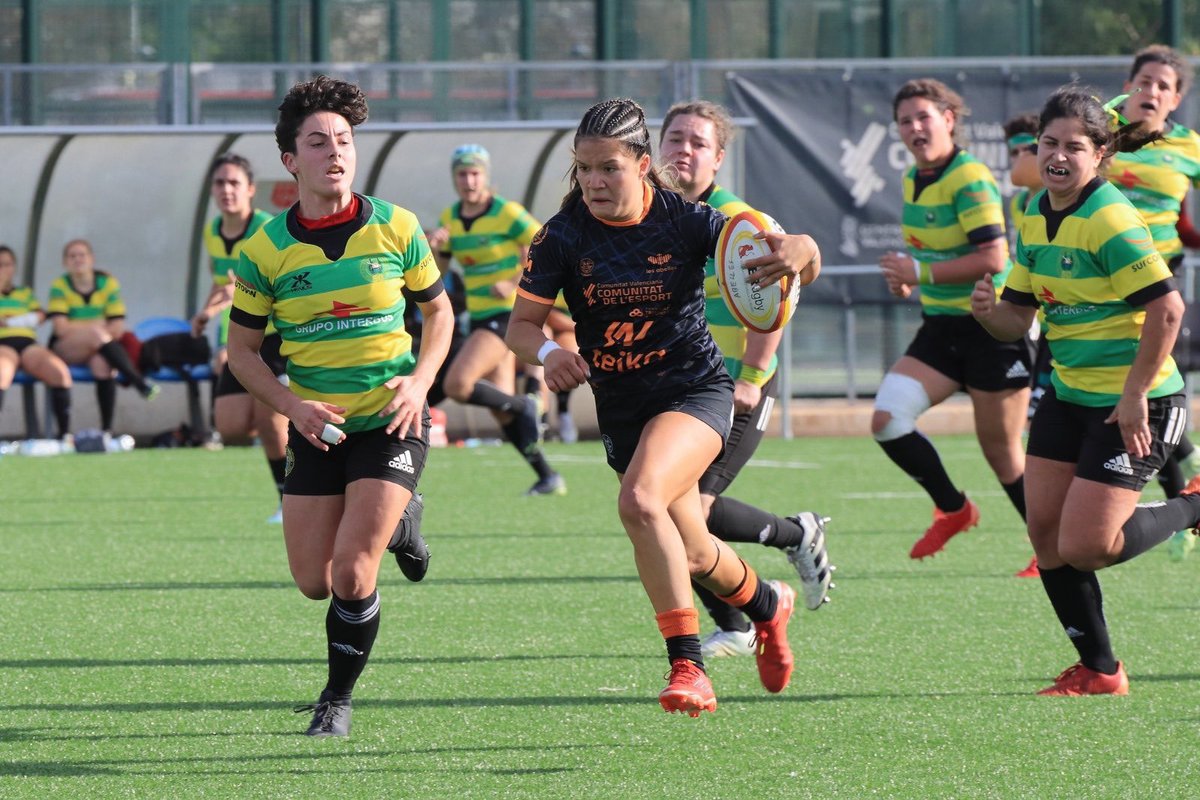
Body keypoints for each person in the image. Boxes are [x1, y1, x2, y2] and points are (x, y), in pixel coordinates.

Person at [507, 98, 821, 715]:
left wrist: (802, 248)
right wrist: (547, 353)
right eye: (584, 169)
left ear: (643, 166)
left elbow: (797, 257)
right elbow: (520, 326)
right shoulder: (562, 236)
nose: (594, 182)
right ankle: (768, 605)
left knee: (640, 501)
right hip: (622, 408)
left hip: (694, 392)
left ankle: (688, 668)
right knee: (696, 550)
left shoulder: (687, 220)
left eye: (609, 169)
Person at [226, 75, 454, 736]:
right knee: (313, 581)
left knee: (354, 572)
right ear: (290, 160)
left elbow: (439, 315)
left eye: (345, 140)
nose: (336, 152)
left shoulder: (397, 227)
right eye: (319, 141)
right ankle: (405, 520)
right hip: (319, 428)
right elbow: (242, 352)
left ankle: (337, 698)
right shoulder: (264, 250)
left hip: (394, 419)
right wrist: (293, 405)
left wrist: (420, 382)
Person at [971, 86, 1200, 695]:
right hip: (1071, 397)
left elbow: (1169, 310)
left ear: (1100, 154)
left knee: (1088, 545)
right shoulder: (1034, 212)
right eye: (1049, 143)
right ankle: (1101, 670)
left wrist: (1132, 396)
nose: (1059, 156)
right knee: (1046, 536)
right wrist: (988, 311)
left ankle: (1195, 505)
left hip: (1141, 401)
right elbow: (1019, 319)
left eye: (1075, 146)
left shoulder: (1108, 217)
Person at [657, 99, 833, 658]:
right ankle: (766, 576)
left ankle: (757, 594)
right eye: (675, 138)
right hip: (682, 392)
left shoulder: (739, 221)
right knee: (673, 513)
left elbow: (786, 283)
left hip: (737, 388)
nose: (683, 150)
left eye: (698, 142)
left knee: (691, 515)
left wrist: (752, 377)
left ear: (718, 159)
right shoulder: (653, 215)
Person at [872, 79, 1031, 562]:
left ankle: (1050, 547)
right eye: (905, 120)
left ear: (949, 119)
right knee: (886, 420)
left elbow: (993, 256)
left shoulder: (970, 177)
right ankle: (954, 509)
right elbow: (933, 257)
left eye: (924, 116)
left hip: (991, 327)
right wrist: (908, 280)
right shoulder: (911, 179)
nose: (915, 127)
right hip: (941, 327)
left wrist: (917, 272)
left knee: (1002, 453)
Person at [427, 144, 565, 495]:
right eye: (462, 173)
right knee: (501, 410)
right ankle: (547, 475)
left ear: (486, 177)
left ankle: (526, 405)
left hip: (508, 316)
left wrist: (518, 279)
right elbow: (437, 275)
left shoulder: (507, 213)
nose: (468, 180)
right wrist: (435, 250)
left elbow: (548, 246)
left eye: (475, 173)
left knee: (458, 385)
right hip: (480, 319)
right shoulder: (451, 218)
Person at [1106, 45, 1200, 561]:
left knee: (1145, 381)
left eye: (1164, 85)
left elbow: (1185, 222)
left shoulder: (1189, 146)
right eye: (1144, 80)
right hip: (1094, 283)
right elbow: (1033, 174)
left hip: (1156, 281)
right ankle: (1186, 480)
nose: (1153, 91)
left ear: (1177, 98)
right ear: (1130, 84)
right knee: (1128, 385)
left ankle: (1181, 505)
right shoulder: (1103, 135)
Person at [191, 153, 289, 523]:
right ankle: (295, 429)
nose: (226, 190)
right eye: (220, 183)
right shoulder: (212, 232)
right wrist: (205, 313)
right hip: (240, 339)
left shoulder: (269, 229)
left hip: (276, 337)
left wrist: (243, 292)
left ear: (250, 190)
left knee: (270, 422)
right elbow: (224, 284)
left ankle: (289, 499)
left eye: (234, 183)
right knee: (230, 427)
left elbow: (280, 284)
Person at [46, 238, 159, 434]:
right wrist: (95, 325)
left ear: (92, 258)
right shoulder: (60, 286)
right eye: (72, 256)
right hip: (67, 348)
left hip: (100, 345)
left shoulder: (108, 284)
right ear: (65, 262)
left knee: (103, 365)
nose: (77, 260)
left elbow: (116, 328)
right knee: (96, 334)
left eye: (82, 255)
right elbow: (61, 329)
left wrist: (82, 327)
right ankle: (138, 381)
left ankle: (106, 431)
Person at [1004, 111, 1045, 579]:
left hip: (1086, 337)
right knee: (1035, 439)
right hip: (1042, 331)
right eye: (1013, 150)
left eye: (1026, 148)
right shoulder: (1024, 205)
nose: (1019, 159)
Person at [0, 245, 72, 438]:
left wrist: (12, 321)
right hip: (3, 345)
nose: (2, 269)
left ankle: (64, 436)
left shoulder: (24, 293)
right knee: (1, 373)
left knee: (60, 373)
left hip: (27, 344)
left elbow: (40, 315)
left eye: (6, 264)